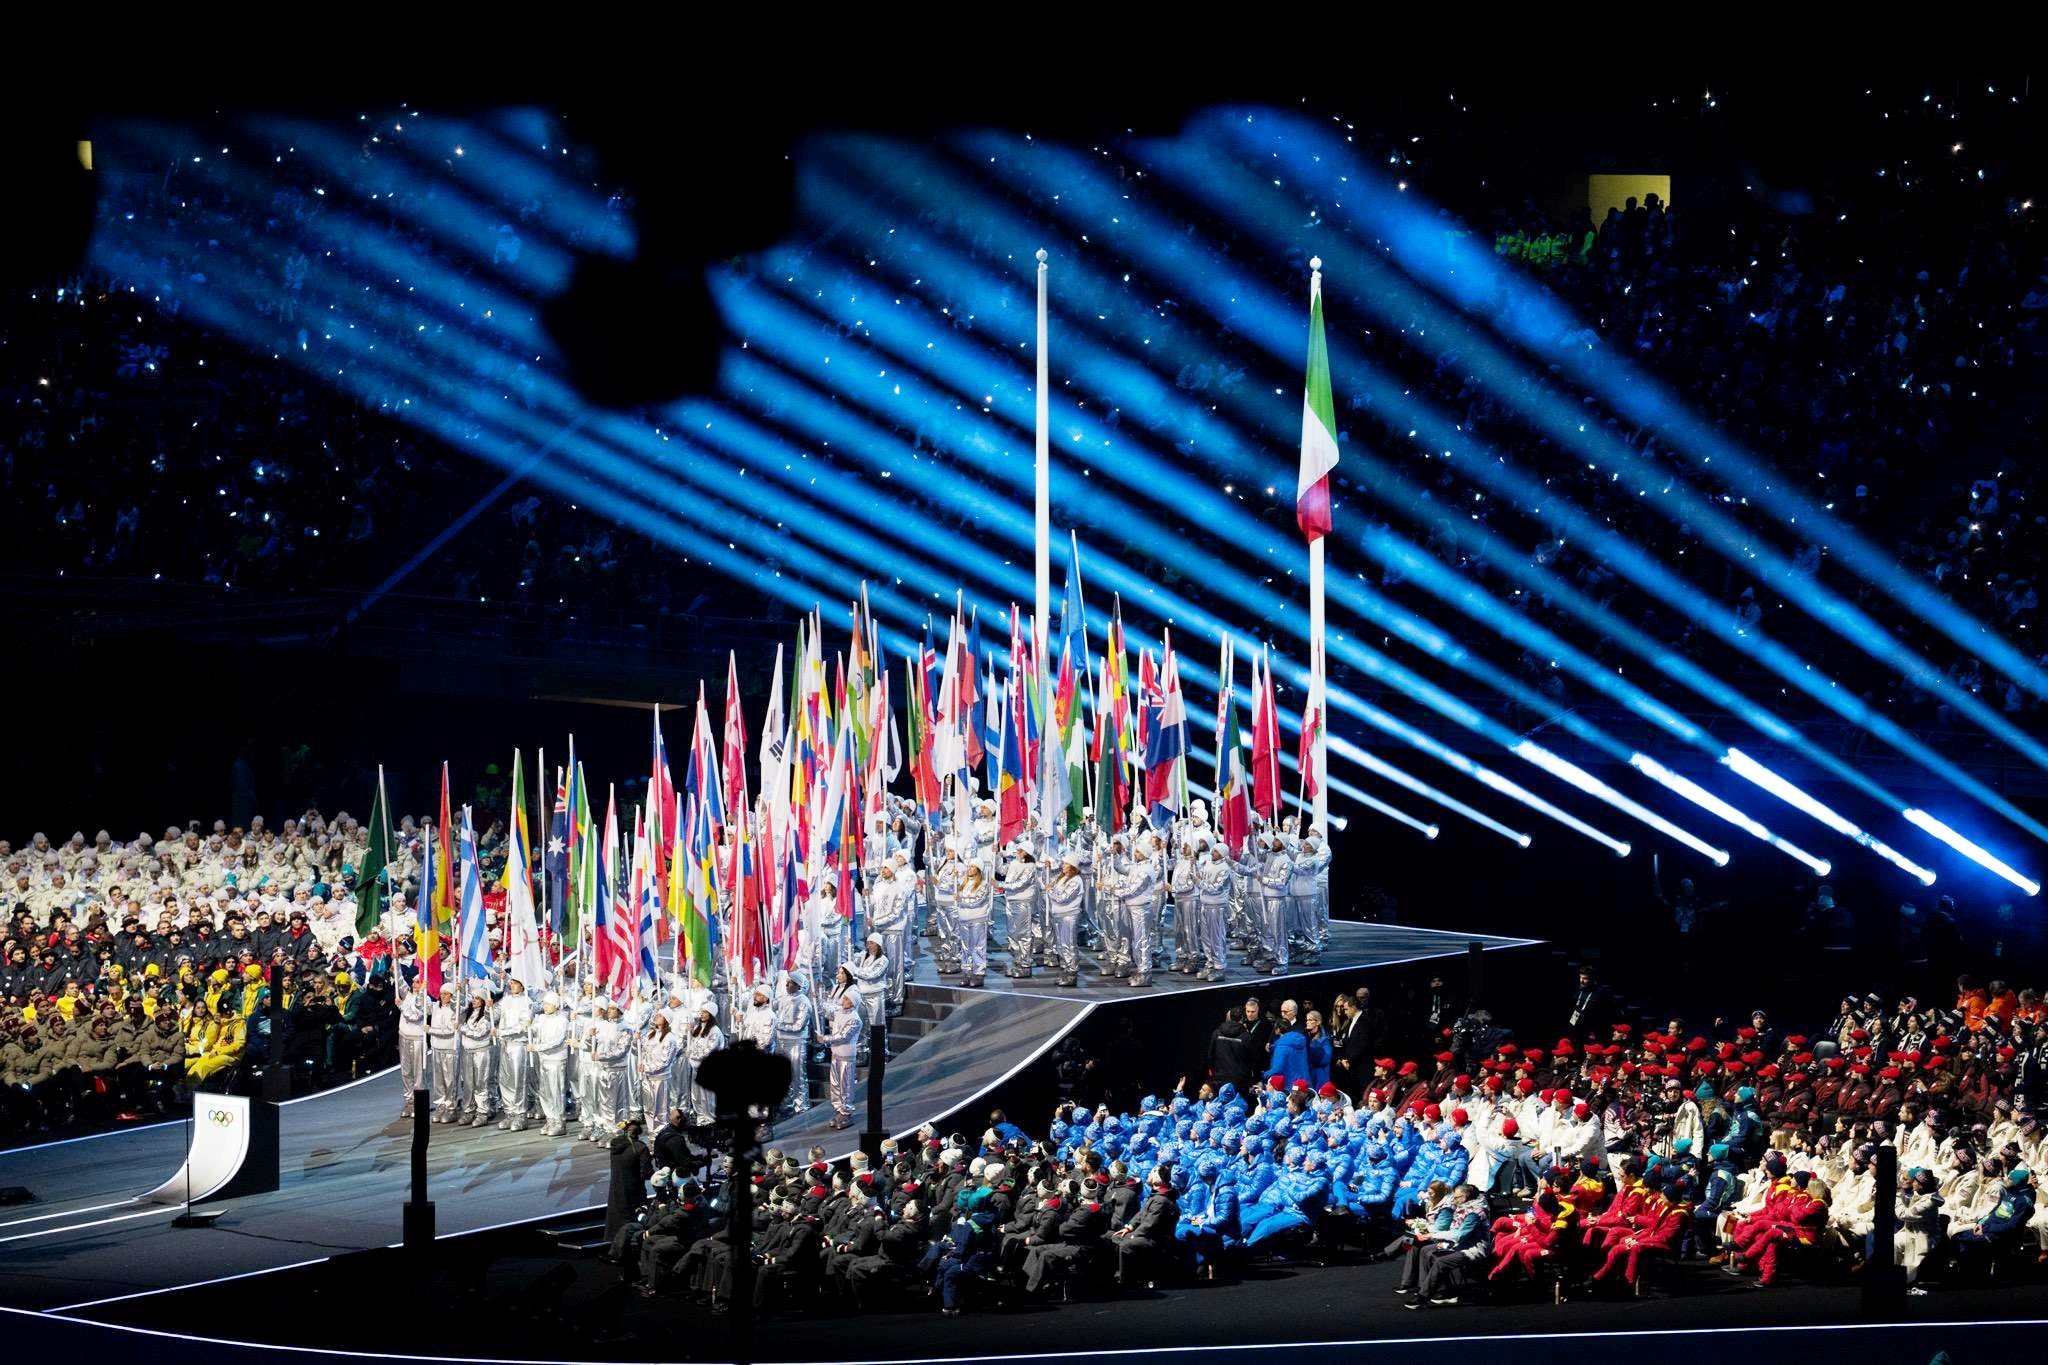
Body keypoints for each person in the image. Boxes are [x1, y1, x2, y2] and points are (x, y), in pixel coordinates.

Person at [605, 1116, 654, 1244]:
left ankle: (615, 1246)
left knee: (616, 1220)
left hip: (616, 1190)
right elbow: (647, 1173)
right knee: (631, 1223)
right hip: (634, 1192)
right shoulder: (640, 1148)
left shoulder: (615, 1145)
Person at [530, 990, 571, 1136]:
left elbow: (557, 1041)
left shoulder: (562, 1020)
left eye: (548, 1004)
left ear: (556, 1005)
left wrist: (538, 1047)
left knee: (556, 1092)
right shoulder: (542, 1019)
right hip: (544, 1060)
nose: (545, 1006)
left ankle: (560, 1122)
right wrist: (529, 1025)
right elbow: (534, 1031)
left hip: (556, 1060)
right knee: (545, 1092)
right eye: (545, 1004)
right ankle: (550, 1119)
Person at [494, 976, 532, 1131]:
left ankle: (520, 1115)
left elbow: (522, 1026)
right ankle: (509, 1112)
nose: (512, 985)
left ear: (522, 986)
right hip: (505, 1045)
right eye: (512, 983)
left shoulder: (527, 1001)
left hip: (518, 1045)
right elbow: (495, 1014)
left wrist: (502, 1032)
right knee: (505, 1079)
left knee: (518, 1080)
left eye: (516, 983)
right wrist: (491, 1005)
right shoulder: (505, 999)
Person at [773, 973, 814, 1114]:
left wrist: (778, 1025)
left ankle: (801, 1106)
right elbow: (772, 1007)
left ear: (797, 985)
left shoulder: (804, 1002)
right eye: (787, 982)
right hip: (781, 1041)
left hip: (796, 1042)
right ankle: (787, 1104)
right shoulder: (784, 998)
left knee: (798, 1075)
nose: (787, 985)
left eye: (790, 982)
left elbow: (798, 1026)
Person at [1045, 852, 1085, 988]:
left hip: (1069, 916)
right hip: (1059, 915)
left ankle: (1072, 973)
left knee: (1069, 945)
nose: (1063, 866)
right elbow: (1051, 885)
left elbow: (1063, 898)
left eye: (1066, 864)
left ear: (1073, 866)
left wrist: (1050, 891)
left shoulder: (1076, 881)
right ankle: (1066, 969)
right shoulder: (1063, 878)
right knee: (1062, 945)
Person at [823, 990, 862, 1130]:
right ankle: (838, 1109)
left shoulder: (855, 1019)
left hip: (846, 1057)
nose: (843, 1000)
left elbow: (843, 1036)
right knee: (835, 1085)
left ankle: (846, 1112)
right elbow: (825, 1010)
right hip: (835, 1055)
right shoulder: (839, 1012)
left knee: (846, 1086)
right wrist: (817, 996)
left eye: (846, 998)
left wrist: (825, 1039)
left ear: (852, 1002)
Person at [954, 862, 994, 988]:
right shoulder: (962, 882)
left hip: (977, 919)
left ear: (978, 869)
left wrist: (961, 900)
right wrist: (953, 876)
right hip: (963, 919)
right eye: (969, 866)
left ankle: (979, 973)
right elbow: (952, 891)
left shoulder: (983, 884)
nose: (969, 869)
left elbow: (976, 900)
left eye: (972, 866)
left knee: (977, 946)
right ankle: (967, 971)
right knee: (965, 947)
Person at [427, 982, 461, 1122]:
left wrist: (430, 1030)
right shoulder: (436, 1007)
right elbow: (420, 1006)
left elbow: (449, 1030)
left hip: (449, 1048)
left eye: (446, 994)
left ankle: (451, 1108)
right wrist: (421, 991)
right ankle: (440, 1106)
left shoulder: (456, 1009)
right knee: (439, 1081)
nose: (442, 996)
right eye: (441, 993)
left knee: (450, 1080)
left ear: (452, 996)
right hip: (436, 1048)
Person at [638, 1013, 680, 1125]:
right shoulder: (650, 1035)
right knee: (648, 1108)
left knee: (661, 1110)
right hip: (648, 1078)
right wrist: (635, 1040)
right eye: (657, 1015)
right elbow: (638, 1051)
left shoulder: (670, 1038)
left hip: (661, 1079)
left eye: (661, 1015)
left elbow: (664, 1062)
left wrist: (646, 1067)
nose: (657, 1017)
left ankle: (661, 1135)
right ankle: (652, 1135)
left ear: (666, 1019)